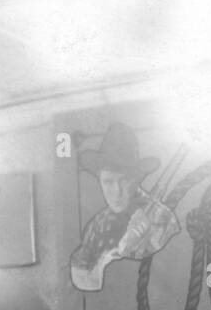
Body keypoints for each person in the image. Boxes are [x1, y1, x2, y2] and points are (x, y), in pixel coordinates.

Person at [69, 122, 180, 293]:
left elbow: (169, 280)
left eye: (124, 181)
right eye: (108, 182)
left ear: (136, 179)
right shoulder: (98, 225)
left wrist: (143, 242)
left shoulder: (163, 218)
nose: (116, 192)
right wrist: (109, 259)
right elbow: (81, 278)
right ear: (99, 180)